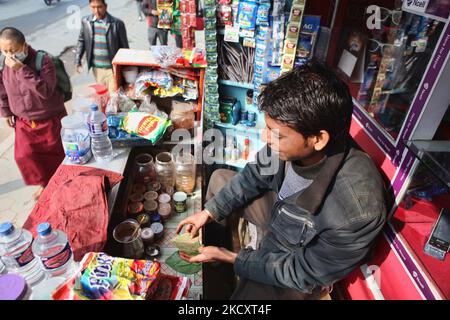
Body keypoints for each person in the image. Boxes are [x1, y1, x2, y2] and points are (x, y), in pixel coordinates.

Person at [176, 60, 388, 300]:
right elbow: (254, 174)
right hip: (282, 215)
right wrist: (208, 213)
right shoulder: (291, 140)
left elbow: (303, 273)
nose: (266, 138)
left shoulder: (355, 210)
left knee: (245, 298)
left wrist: (233, 258)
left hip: (298, 257)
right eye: (267, 128)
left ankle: (224, 264)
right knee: (219, 179)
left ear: (318, 139)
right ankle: (212, 261)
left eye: (276, 134)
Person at [0, 28, 67, 200]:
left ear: (23, 46)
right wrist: (6, 111)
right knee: (25, 156)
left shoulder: (42, 61)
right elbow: (2, 89)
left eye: (13, 50)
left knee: (58, 156)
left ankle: (63, 183)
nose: (9, 55)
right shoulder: (4, 64)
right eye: (4, 51)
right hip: (24, 122)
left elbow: (45, 91)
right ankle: (46, 183)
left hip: (49, 118)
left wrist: (22, 70)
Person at [75, 0, 129, 93]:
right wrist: (77, 60)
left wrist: (126, 69)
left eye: (99, 7)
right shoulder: (86, 22)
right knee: (102, 96)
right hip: (97, 69)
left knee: (113, 96)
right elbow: (81, 41)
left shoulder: (117, 24)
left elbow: (125, 48)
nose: (96, 11)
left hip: (112, 70)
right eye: (93, 7)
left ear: (105, 6)